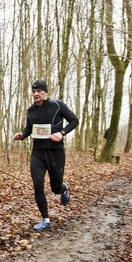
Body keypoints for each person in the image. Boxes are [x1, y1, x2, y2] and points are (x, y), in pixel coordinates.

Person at [13, 79, 79, 230]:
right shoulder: (31, 110)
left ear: (45, 92)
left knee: (55, 187)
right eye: (34, 91)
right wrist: (22, 135)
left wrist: (62, 133)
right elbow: (29, 128)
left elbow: (74, 121)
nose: (36, 94)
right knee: (37, 184)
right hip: (38, 153)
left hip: (55, 152)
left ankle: (63, 188)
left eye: (39, 91)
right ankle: (45, 219)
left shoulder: (57, 105)